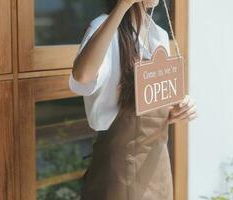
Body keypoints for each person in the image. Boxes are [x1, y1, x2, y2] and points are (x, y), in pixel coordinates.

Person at [68, 0, 197, 199]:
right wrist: (123, 6)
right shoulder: (103, 26)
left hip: (158, 163)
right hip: (120, 166)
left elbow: (151, 103)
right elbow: (83, 75)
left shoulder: (159, 34)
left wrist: (177, 108)